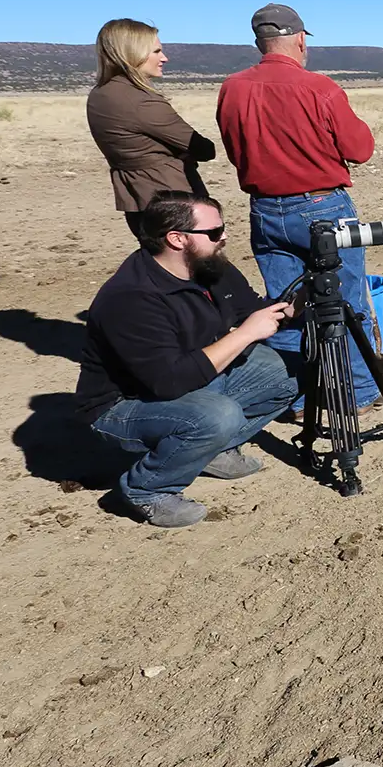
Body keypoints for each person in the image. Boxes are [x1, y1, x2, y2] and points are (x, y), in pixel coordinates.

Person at [76, 191, 298, 528]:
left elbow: (249, 310)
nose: (223, 237)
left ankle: (210, 451)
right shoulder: (131, 298)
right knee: (217, 415)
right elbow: (169, 381)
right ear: (177, 239)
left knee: (288, 373)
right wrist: (243, 334)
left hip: (190, 378)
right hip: (123, 405)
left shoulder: (208, 267)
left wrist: (294, 309)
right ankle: (147, 489)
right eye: (213, 232)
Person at [216, 4, 381, 408]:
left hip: (265, 211)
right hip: (323, 206)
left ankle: (297, 397)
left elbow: (236, 150)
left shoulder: (232, 88)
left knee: (284, 308)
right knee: (347, 301)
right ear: (301, 39)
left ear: (259, 42)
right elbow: (360, 149)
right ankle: (358, 392)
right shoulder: (319, 87)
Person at [86, 18, 216, 240]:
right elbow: (204, 149)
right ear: (133, 53)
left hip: (136, 200)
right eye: (156, 51)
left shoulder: (99, 95)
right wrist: (179, 154)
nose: (164, 58)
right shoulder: (141, 101)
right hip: (174, 203)